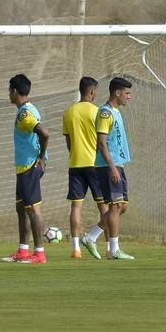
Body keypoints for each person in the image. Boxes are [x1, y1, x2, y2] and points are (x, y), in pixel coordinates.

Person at [2, 74, 50, 264]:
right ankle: (23, 251)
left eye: (9, 90)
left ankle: (39, 254)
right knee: (21, 208)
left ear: (14, 91)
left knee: (33, 210)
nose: (9, 94)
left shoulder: (25, 114)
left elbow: (44, 134)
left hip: (30, 166)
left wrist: (40, 157)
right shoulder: (25, 110)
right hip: (23, 167)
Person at [62, 77, 109, 259]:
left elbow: (69, 143)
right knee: (104, 208)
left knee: (76, 207)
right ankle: (109, 247)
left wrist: (76, 154)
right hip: (95, 165)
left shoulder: (68, 112)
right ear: (91, 91)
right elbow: (101, 142)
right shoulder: (98, 112)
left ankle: (75, 249)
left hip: (75, 164)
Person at [92, 77, 135, 260]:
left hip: (117, 164)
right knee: (115, 205)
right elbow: (101, 143)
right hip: (108, 166)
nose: (129, 97)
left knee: (122, 206)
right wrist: (112, 167)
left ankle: (91, 236)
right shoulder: (105, 113)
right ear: (117, 92)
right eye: (127, 93)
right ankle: (113, 250)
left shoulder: (115, 112)